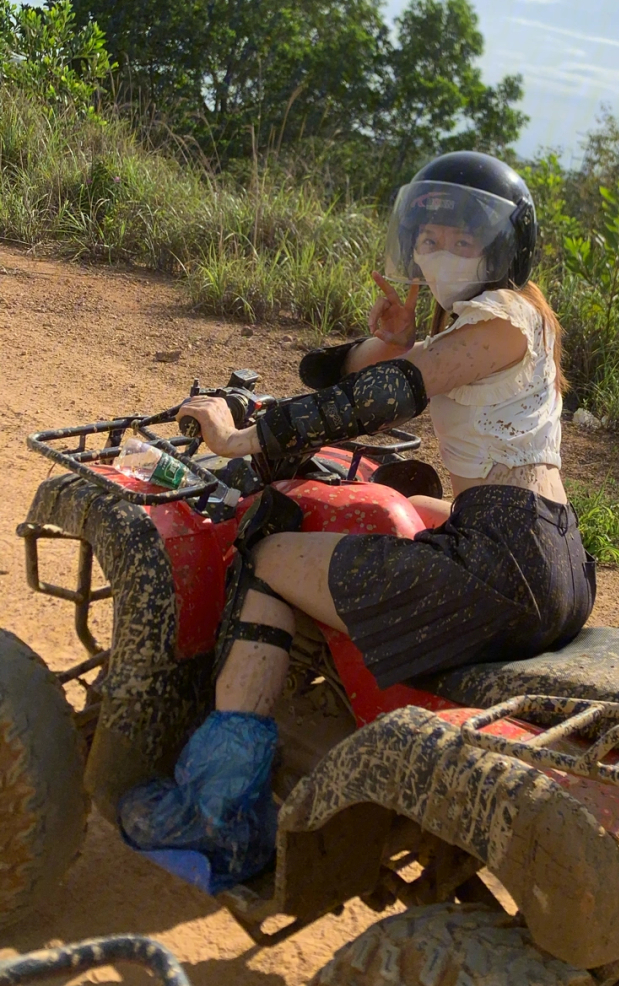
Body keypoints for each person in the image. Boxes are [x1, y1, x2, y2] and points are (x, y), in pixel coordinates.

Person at [118, 152, 594, 887]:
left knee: (270, 552)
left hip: (508, 557)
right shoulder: (489, 330)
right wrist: (392, 335)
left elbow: (380, 398)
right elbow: (341, 374)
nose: (440, 252)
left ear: (502, 249)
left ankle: (217, 815)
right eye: (428, 238)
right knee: (399, 511)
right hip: (550, 554)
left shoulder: (506, 316)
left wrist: (243, 438)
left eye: (461, 241)